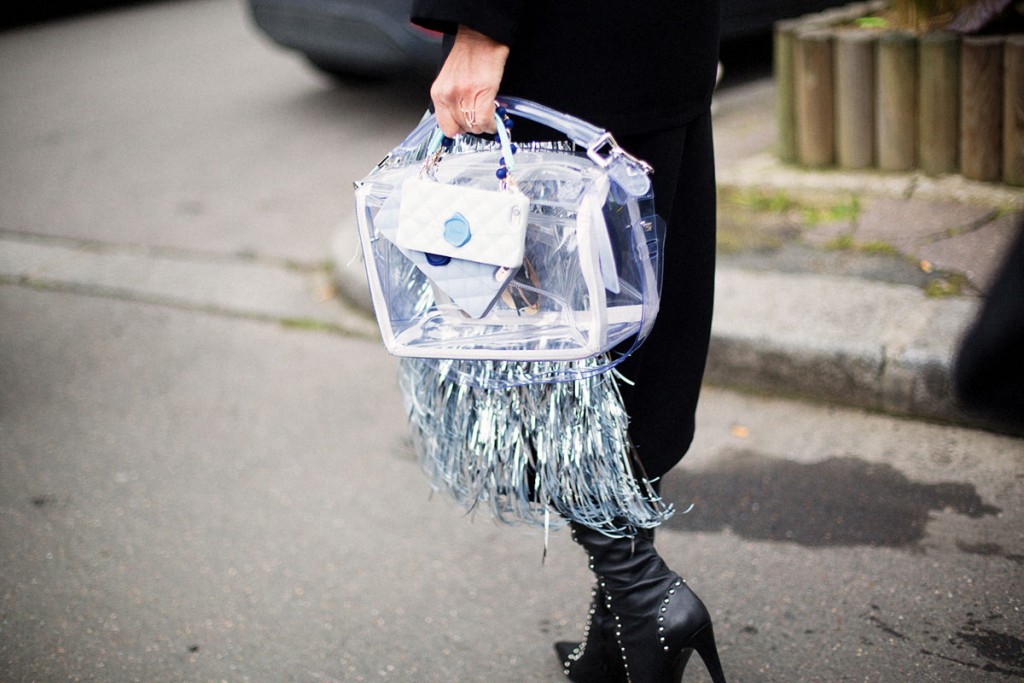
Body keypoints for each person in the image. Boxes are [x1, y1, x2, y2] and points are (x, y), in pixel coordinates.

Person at [409, 2, 726, 681]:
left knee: (536, 361)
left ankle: (642, 593)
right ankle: (622, 637)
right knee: (632, 345)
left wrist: (479, 20)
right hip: (660, 42)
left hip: (560, 47)